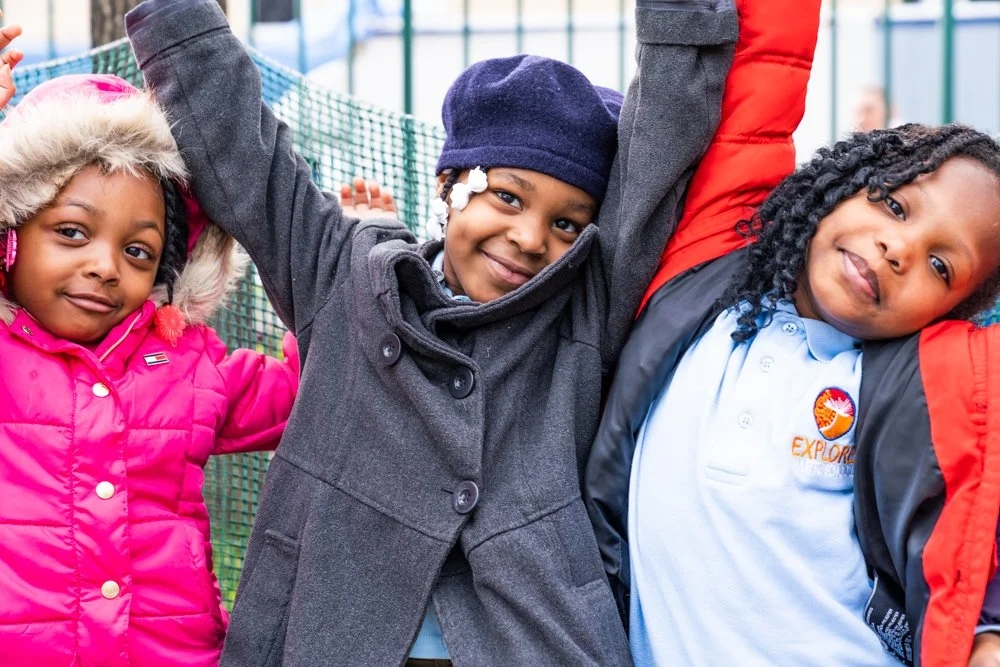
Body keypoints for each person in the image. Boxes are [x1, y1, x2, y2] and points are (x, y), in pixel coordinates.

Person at [123, 0, 738, 663]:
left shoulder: (581, 307)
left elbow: (661, 146)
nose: (529, 239)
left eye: (567, 224)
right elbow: (242, 152)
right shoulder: (346, 274)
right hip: (328, 632)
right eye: (507, 196)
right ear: (450, 184)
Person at [584, 0, 1000, 665]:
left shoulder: (911, 391)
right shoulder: (711, 267)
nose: (899, 248)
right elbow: (762, 76)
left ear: (947, 313)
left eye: (940, 264)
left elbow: (970, 540)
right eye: (894, 204)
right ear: (845, 180)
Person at [0, 70, 300, 664]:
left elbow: (309, 386)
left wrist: (340, 272)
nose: (106, 266)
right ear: (9, 234)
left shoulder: (188, 362)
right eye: (71, 232)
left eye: (138, 250)